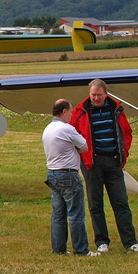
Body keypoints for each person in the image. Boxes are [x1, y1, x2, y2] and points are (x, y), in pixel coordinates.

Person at [71, 79, 138, 253]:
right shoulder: (81, 111)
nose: (96, 98)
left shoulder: (116, 109)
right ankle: (101, 241)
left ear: (106, 94)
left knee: (121, 202)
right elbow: (72, 134)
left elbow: (126, 132)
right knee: (95, 204)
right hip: (92, 163)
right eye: (93, 95)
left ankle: (130, 241)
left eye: (99, 95)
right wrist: (83, 157)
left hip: (113, 161)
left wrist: (123, 154)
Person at [42, 99, 98, 256]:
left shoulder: (48, 129)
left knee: (58, 214)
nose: (72, 115)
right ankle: (81, 249)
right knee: (76, 213)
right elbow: (84, 146)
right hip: (68, 173)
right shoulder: (67, 129)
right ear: (64, 111)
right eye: (71, 112)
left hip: (52, 172)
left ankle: (59, 249)